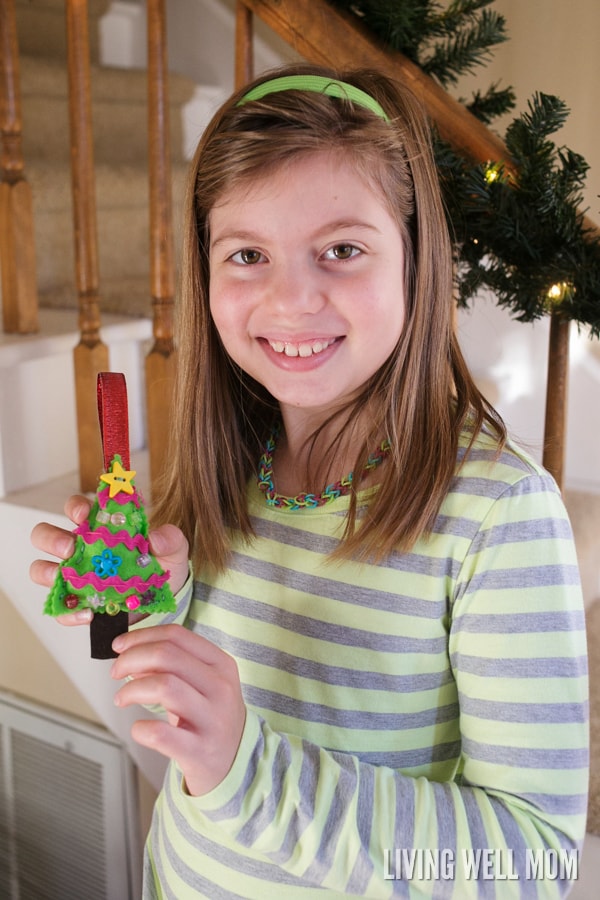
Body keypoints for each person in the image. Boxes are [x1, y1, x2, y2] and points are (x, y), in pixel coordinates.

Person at [31, 64, 589, 898]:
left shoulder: (501, 516)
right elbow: (205, 724)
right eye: (248, 254)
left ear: (415, 261)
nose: (292, 300)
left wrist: (247, 771)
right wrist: (155, 599)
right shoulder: (230, 468)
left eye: (341, 249)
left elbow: (531, 859)